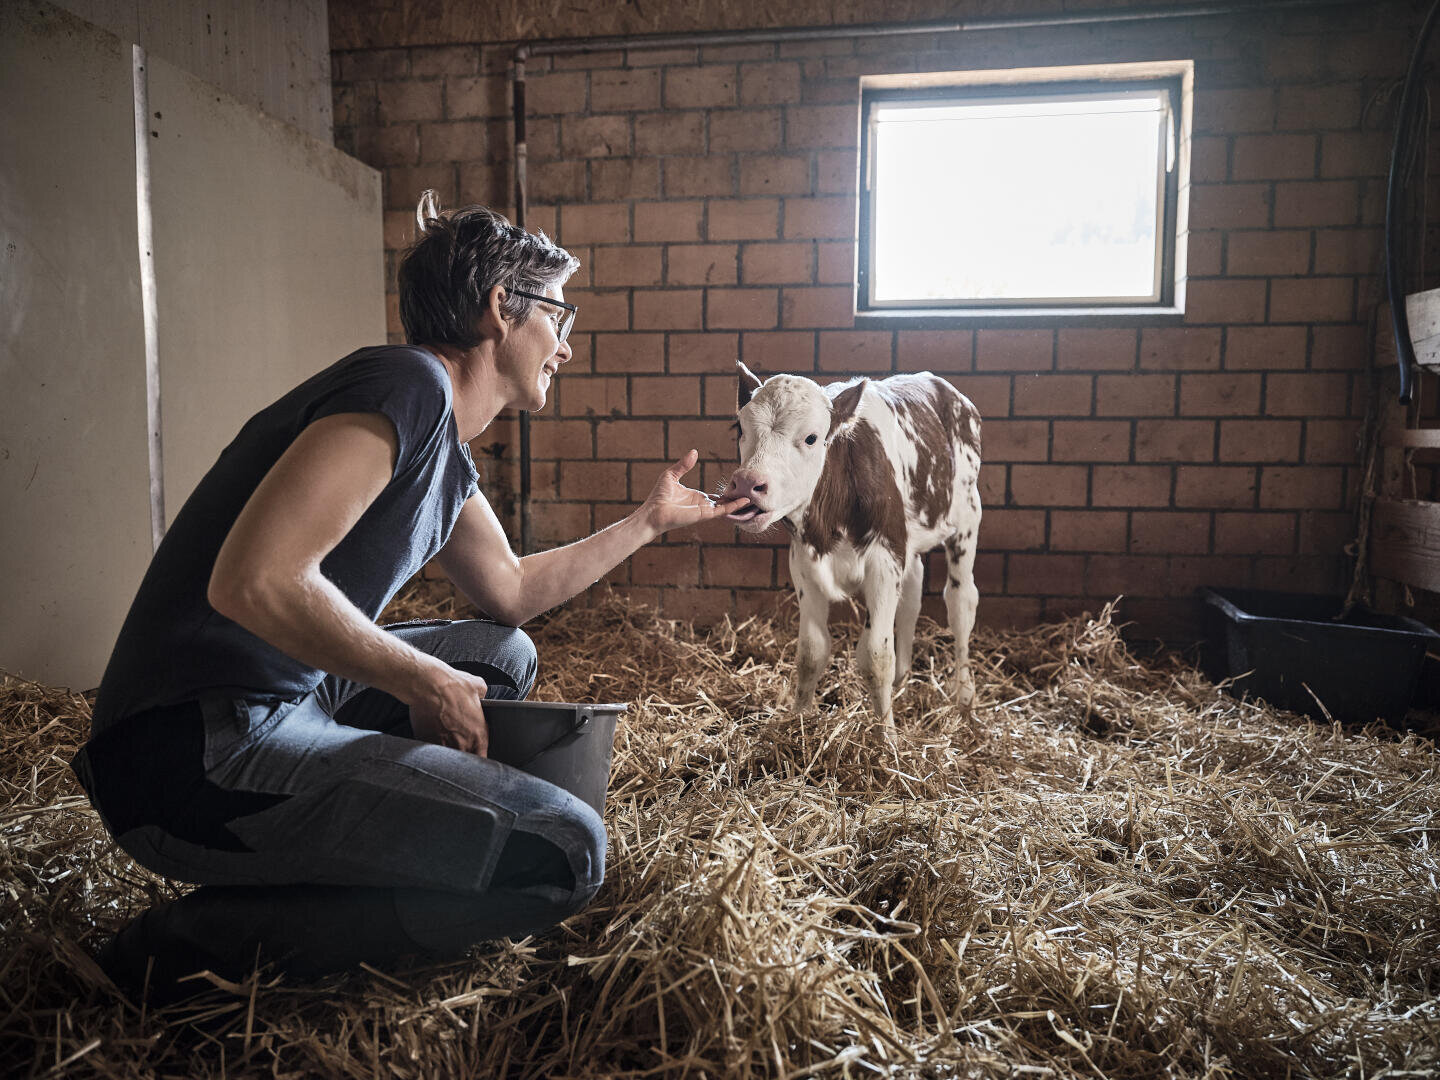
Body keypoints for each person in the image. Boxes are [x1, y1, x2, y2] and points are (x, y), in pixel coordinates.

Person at [71, 191, 748, 1002]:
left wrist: (646, 523)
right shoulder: (407, 385)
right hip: (186, 756)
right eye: (559, 320)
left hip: (271, 702)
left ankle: (354, 836)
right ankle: (179, 951)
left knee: (504, 655)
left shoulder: (440, 441)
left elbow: (512, 593)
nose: (565, 347)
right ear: (502, 309)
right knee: (563, 852)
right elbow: (255, 579)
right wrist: (420, 680)